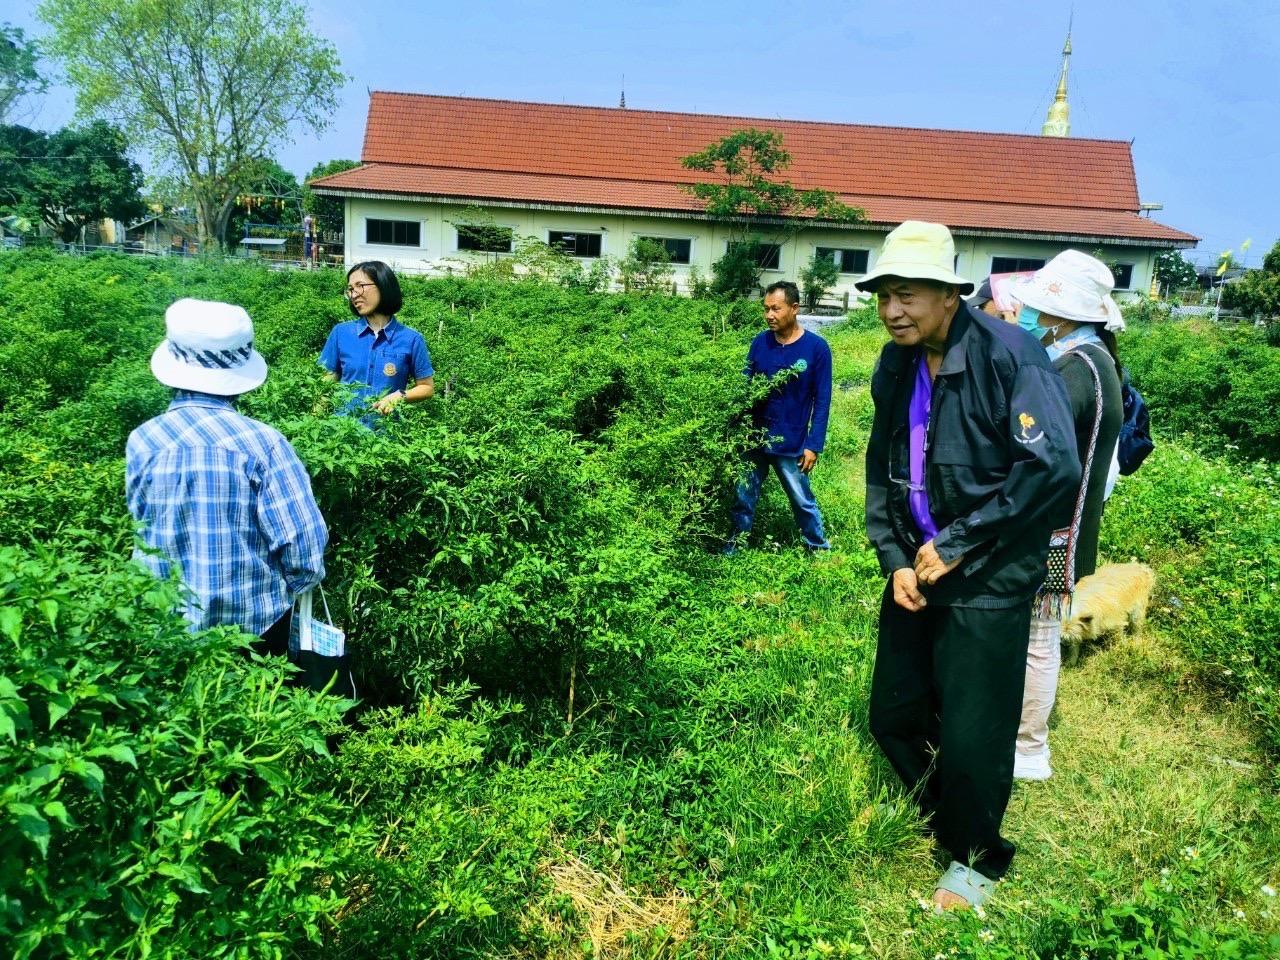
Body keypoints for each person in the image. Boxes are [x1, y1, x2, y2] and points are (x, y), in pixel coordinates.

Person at [861, 222, 1080, 911]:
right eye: (883, 297)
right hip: (916, 569)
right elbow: (882, 466)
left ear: (949, 295)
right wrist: (896, 558)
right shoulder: (895, 364)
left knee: (973, 732)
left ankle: (976, 859)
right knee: (892, 714)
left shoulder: (1009, 356)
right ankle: (945, 815)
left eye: (907, 295)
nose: (893, 310)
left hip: (986, 575)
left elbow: (1053, 466)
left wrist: (960, 542)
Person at [126, 298, 328, 656]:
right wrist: (293, 586)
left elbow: (143, 525)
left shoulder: (144, 439)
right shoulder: (263, 444)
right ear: (238, 376)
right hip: (254, 626)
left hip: (160, 624)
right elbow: (303, 545)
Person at [1008, 251, 1125, 781]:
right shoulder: (1094, 360)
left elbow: (1043, 452)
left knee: (1037, 639)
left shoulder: (1078, 369)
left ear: (1062, 316)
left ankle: (1030, 748)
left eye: (1038, 310)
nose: (1030, 318)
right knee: (1034, 635)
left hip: (1057, 531)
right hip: (1066, 526)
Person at [725, 280, 832, 553]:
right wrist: (732, 425)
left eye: (776, 309)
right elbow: (744, 386)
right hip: (754, 437)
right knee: (743, 495)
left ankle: (818, 548)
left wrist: (813, 444)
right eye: (766, 309)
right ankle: (735, 545)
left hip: (791, 439)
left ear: (794, 308)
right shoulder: (760, 343)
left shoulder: (817, 348)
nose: (769, 315)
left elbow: (822, 401)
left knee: (801, 499)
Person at [320, 261, 434, 420]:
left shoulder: (412, 339)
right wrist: (313, 427)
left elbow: (427, 387)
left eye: (360, 286)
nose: (354, 295)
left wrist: (400, 396)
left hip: (385, 439)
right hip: (341, 436)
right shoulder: (341, 333)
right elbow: (324, 386)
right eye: (351, 289)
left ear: (382, 285)